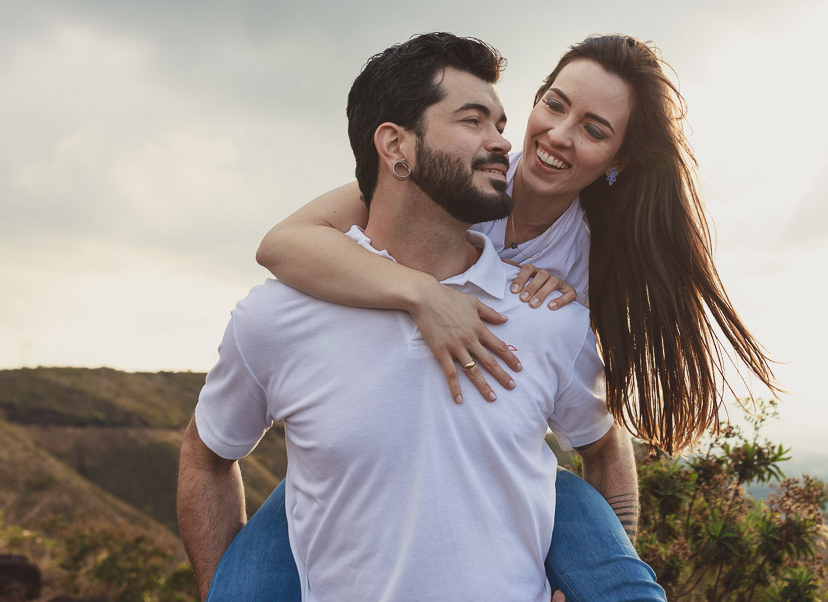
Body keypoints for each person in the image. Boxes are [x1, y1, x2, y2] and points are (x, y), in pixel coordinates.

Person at [223, 33, 779, 600]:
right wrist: (423, 293)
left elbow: (597, 433)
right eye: (554, 104)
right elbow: (284, 244)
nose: (557, 136)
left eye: (593, 129)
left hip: (501, 463)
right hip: (367, 462)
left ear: (620, 159)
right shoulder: (460, 173)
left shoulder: (593, 258)